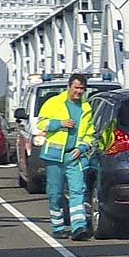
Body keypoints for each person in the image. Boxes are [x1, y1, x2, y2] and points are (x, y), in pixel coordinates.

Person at [36, 74, 95, 241]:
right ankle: (58, 226)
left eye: (82, 89)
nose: (78, 91)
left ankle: (78, 227)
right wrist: (60, 123)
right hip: (54, 156)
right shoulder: (53, 103)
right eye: (76, 88)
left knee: (78, 190)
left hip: (74, 156)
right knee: (55, 193)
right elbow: (41, 123)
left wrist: (82, 147)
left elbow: (90, 134)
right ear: (69, 87)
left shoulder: (86, 108)